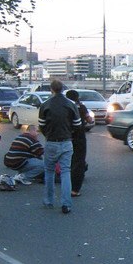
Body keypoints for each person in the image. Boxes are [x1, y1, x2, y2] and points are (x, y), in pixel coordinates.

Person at [38, 80, 82, 214]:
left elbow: (42, 125)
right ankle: (66, 203)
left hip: (51, 141)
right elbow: (77, 124)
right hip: (66, 141)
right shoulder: (70, 105)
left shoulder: (45, 105)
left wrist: (48, 134)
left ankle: (49, 200)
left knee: (49, 171)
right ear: (62, 89)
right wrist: (69, 133)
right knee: (65, 172)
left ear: (51, 89)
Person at [65, 89, 92, 197]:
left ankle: (65, 185)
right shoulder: (81, 107)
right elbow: (89, 119)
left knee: (67, 160)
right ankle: (75, 189)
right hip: (79, 136)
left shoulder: (65, 107)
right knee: (78, 161)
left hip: (66, 136)